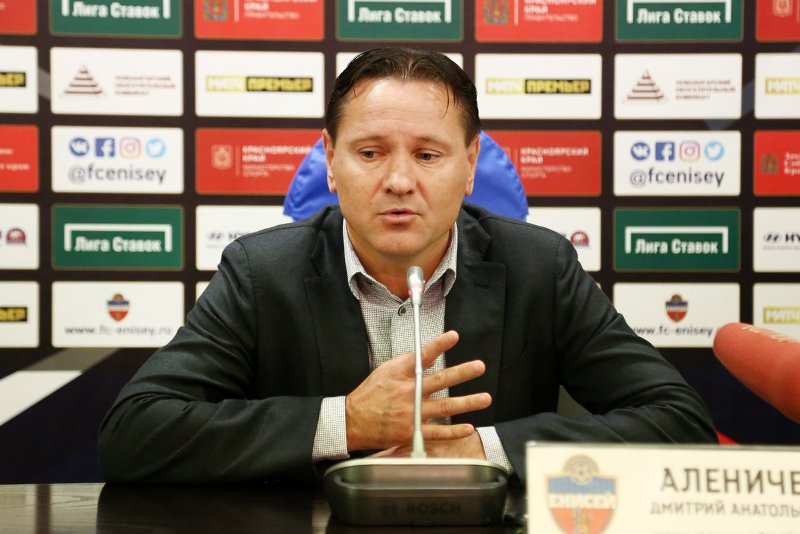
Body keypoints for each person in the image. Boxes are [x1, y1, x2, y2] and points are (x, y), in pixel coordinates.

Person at [98, 47, 717, 484]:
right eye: (370, 153)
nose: (398, 180)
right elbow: (133, 433)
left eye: (428, 155)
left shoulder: (540, 267)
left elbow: (680, 421)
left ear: (470, 164)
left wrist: (483, 449)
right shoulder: (262, 272)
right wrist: (345, 423)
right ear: (331, 161)